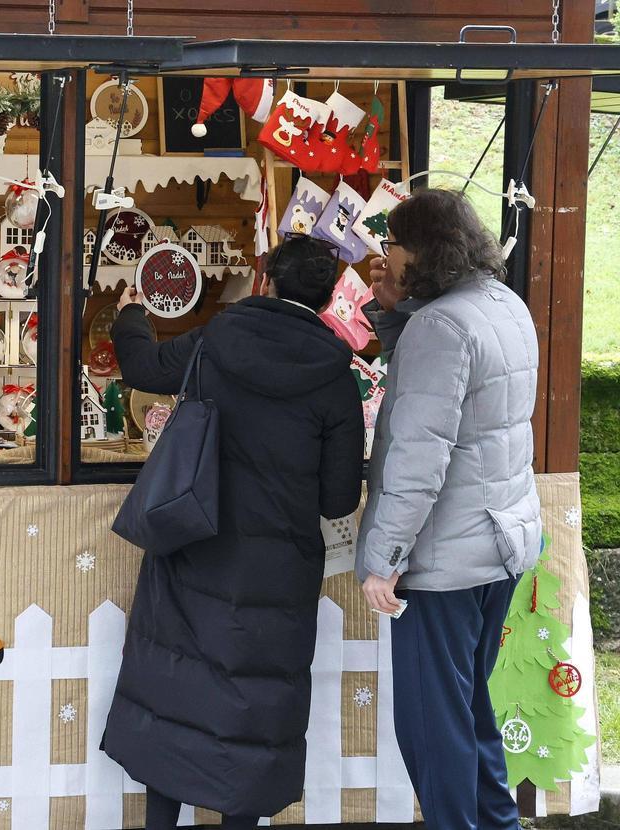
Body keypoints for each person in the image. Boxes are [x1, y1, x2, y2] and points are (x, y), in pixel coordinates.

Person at [101, 235, 365, 828]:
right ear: (327, 300)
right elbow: (338, 497)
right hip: (278, 571)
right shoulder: (334, 375)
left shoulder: (218, 338)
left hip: (194, 542)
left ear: (265, 279)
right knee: (251, 706)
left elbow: (144, 367)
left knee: (175, 691)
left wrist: (130, 315)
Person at [356, 188, 541, 829]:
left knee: (435, 732)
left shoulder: (441, 325)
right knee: (467, 712)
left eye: (393, 244)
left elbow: (417, 457)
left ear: (422, 250)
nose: (385, 255)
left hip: (444, 559)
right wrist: (394, 311)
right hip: (500, 541)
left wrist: (383, 559)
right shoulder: (501, 304)